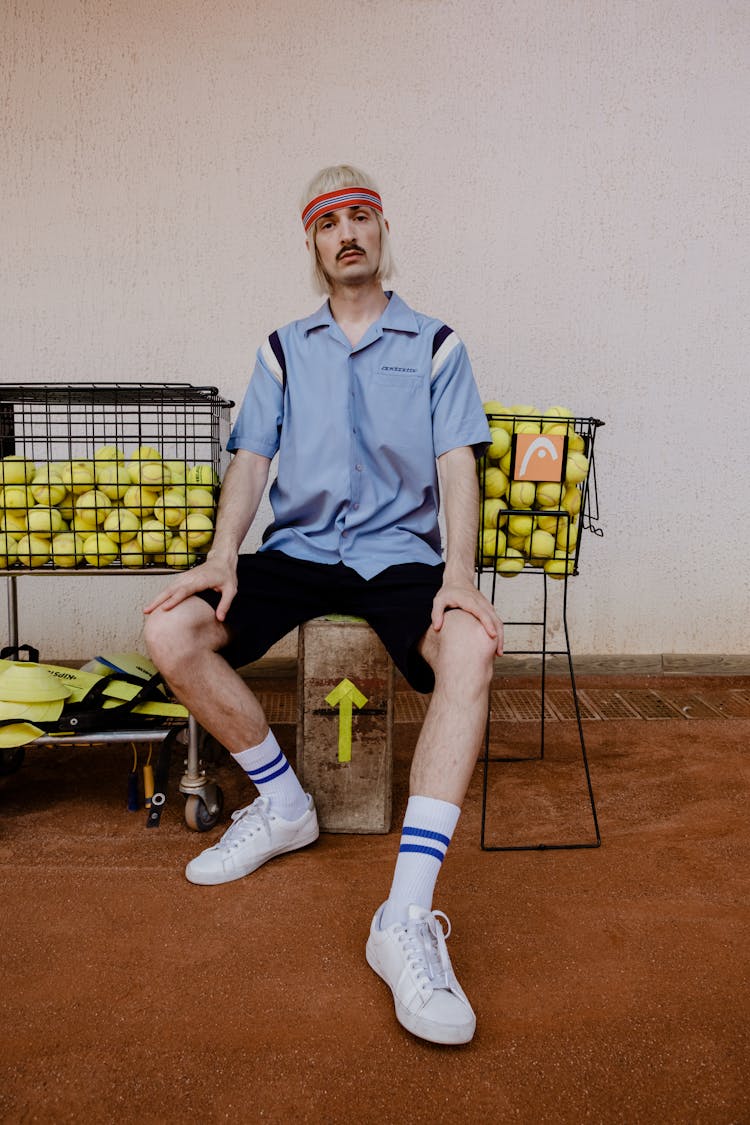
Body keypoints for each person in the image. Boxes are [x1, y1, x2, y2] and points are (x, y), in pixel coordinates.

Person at [143, 164, 503, 1046]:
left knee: (471, 649)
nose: (346, 232)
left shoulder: (437, 345)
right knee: (171, 628)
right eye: (328, 222)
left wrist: (458, 572)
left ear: (382, 232)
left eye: (361, 217)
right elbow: (254, 460)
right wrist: (224, 554)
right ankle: (284, 803)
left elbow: (459, 460)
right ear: (311, 243)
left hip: (396, 559)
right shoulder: (281, 347)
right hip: (299, 553)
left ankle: (405, 916)